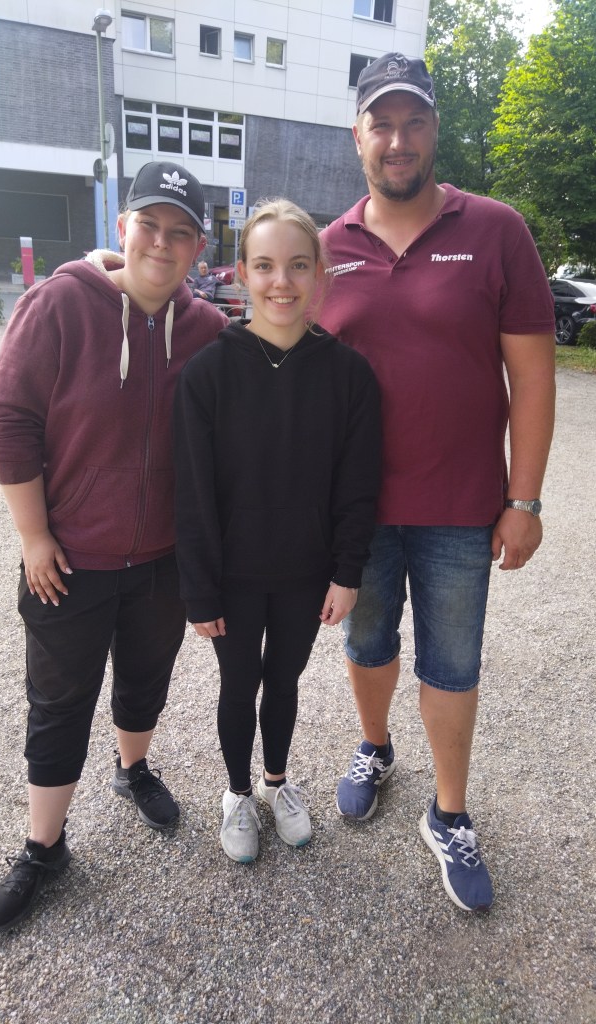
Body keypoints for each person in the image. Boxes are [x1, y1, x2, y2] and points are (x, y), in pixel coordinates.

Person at [319, 53, 556, 912]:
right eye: (381, 124)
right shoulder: (325, 249)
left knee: (452, 663)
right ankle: (374, 747)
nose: (398, 140)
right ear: (357, 137)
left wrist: (524, 500)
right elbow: (266, 354)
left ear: (435, 130)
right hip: (357, 513)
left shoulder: (496, 230)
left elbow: (532, 377)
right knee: (367, 645)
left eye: (413, 121)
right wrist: (119, 282)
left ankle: (448, 812)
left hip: (461, 508)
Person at [0, 161, 228, 931]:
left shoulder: (208, 332)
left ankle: (133, 768)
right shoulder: (60, 304)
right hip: (69, 561)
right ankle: (43, 847)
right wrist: (33, 534)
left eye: (180, 232)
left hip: (161, 563)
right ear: (122, 228)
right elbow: (9, 419)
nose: (162, 242)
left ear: (198, 249)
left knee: (145, 682)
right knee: (59, 704)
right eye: (148, 224)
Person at [173, 199, 382, 863]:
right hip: (233, 575)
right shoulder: (208, 373)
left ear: (320, 271)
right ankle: (237, 793)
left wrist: (347, 572)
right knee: (239, 685)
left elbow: (358, 485)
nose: (281, 282)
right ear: (242, 272)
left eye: (297, 265)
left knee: (285, 681)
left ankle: (276, 782)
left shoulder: (349, 375)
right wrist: (199, 590)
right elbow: (192, 493)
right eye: (264, 266)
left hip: (304, 572)